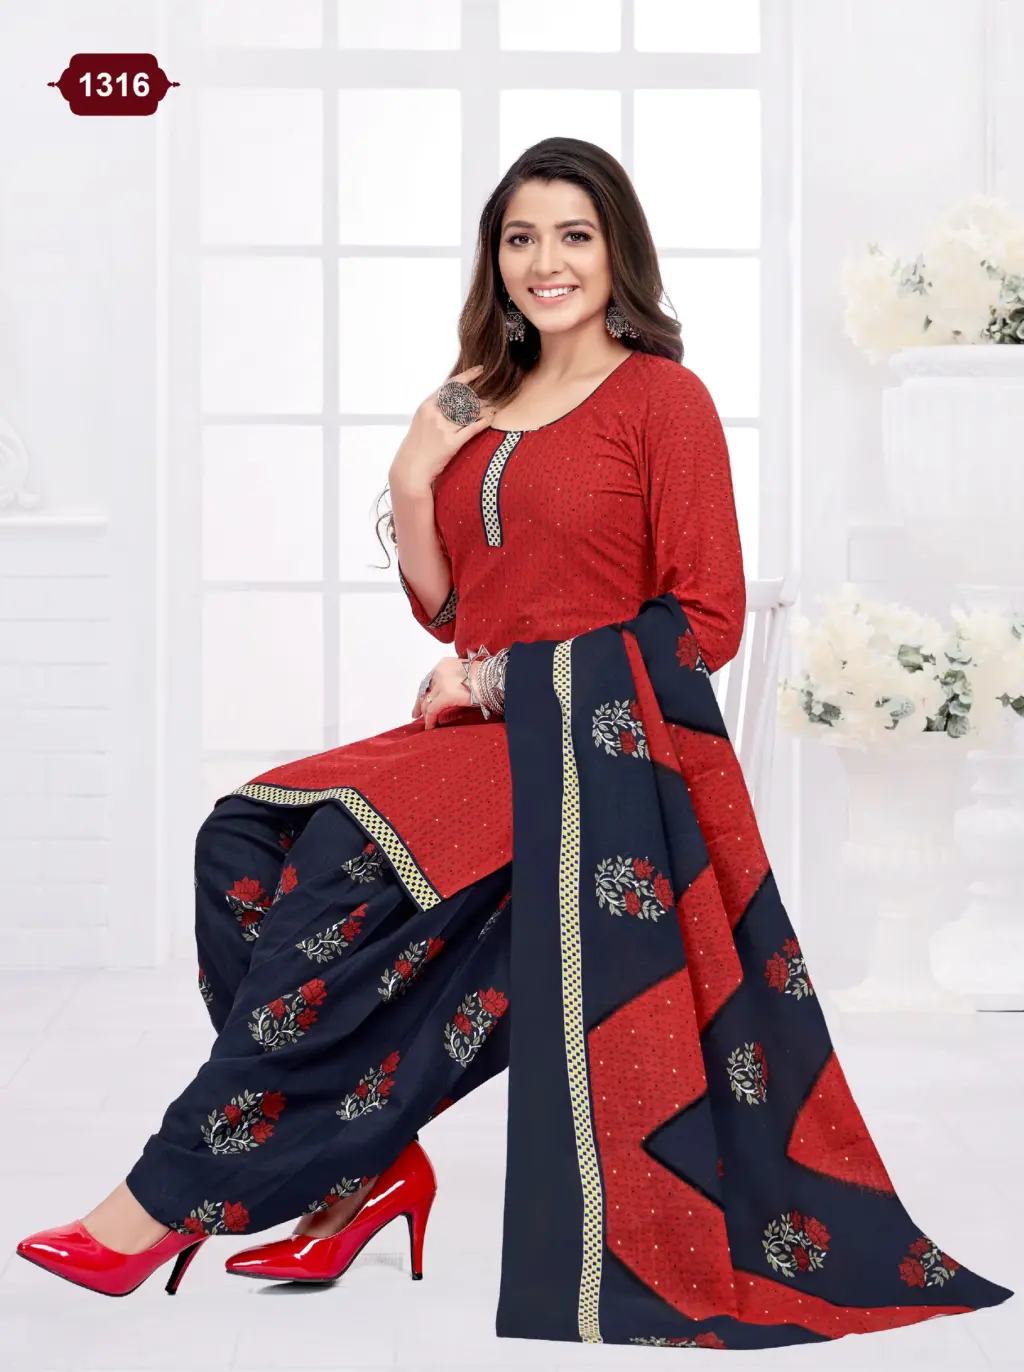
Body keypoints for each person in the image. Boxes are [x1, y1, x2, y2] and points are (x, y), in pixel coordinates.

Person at [17, 137, 1013, 1349]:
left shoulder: (662, 400)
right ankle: (357, 1162)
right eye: (521, 238)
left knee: (343, 860)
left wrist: (499, 678)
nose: (547, 262)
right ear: (494, 258)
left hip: (594, 750)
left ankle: (157, 1199)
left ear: (617, 252)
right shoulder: (476, 399)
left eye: (574, 236)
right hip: (477, 731)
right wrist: (412, 469)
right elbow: (448, 603)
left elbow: (706, 620)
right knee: (241, 840)